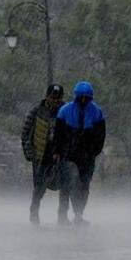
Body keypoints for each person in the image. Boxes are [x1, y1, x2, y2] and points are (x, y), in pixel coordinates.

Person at [53, 81, 106, 226]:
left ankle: (78, 214)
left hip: (87, 156)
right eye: (81, 97)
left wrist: (95, 151)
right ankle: (64, 214)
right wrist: (57, 151)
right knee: (71, 182)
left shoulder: (97, 113)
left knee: (84, 185)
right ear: (76, 96)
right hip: (68, 155)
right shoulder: (65, 111)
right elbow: (58, 134)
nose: (83, 100)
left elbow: (101, 135)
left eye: (86, 97)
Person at [21, 84, 65, 225]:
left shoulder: (65, 111)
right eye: (53, 97)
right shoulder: (36, 111)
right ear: (47, 96)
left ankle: (62, 215)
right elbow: (25, 133)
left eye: (58, 98)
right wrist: (30, 154)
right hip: (41, 155)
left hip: (61, 154)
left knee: (65, 185)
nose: (55, 101)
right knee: (39, 186)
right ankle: (34, 210)